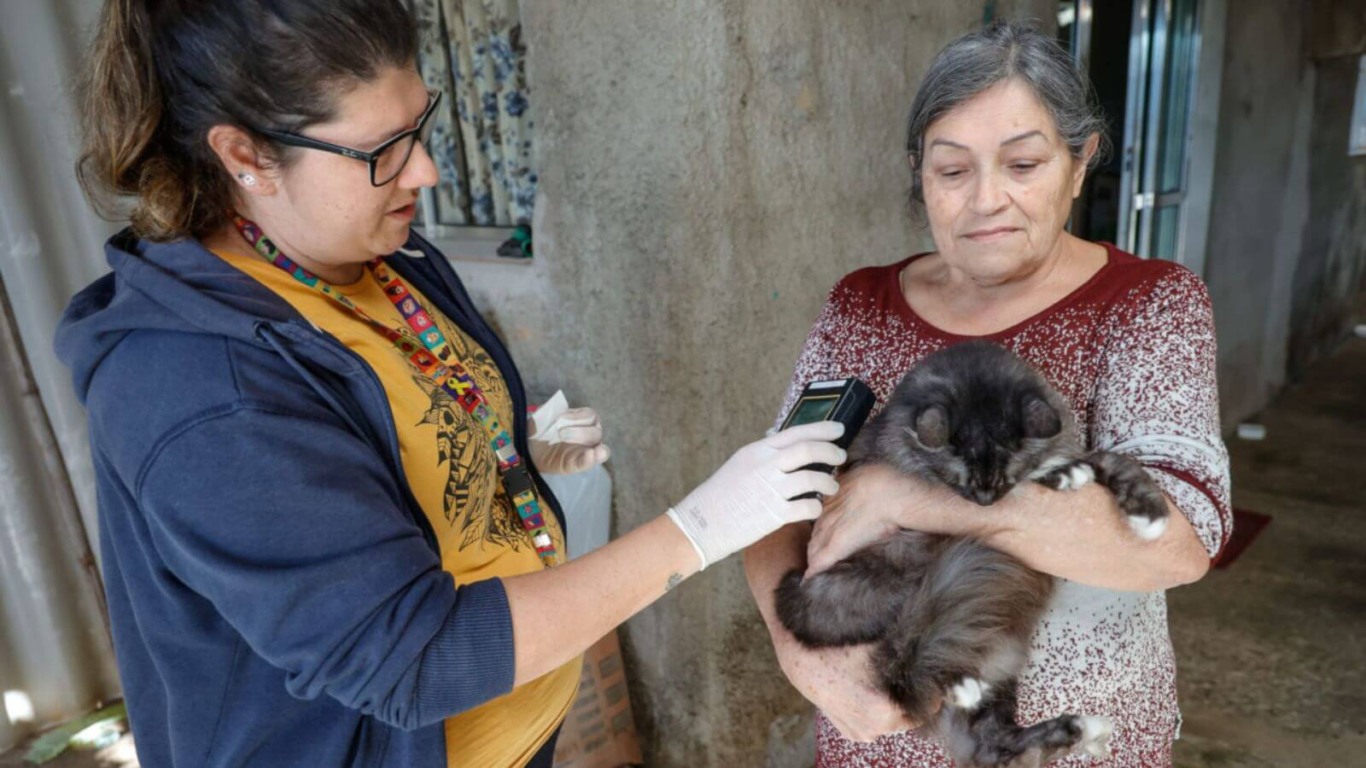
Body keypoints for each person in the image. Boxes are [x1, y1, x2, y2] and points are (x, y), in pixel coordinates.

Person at [55, 1, 847, 766]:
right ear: (246, 156)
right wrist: (701, 527)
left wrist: (501, 451)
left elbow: (364, 458)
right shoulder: (198, 387)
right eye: (383, 150)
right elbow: (414, 657)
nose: (425, 172)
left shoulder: (375, 259)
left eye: (422, 126)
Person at [745, 22, 1231, 768]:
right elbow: (768, 502)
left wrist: (904, 498)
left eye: (1023, 163)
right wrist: (800, 656)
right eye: (952, 171)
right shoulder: (862, 305)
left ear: (1080, 162)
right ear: (919, 173)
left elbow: (1177, 544)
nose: (986, 201)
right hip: (871, 745)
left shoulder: (1147, 305)